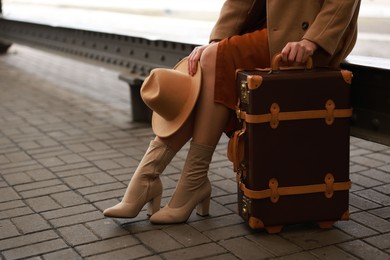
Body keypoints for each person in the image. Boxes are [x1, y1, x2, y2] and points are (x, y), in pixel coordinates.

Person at [103, 0, 361, 224]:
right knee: (206, 65)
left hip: (302, 39)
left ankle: (160, 181)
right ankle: (171, 180)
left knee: (213, 63)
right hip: (266, 29)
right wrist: (217, 39)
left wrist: (312, 40)